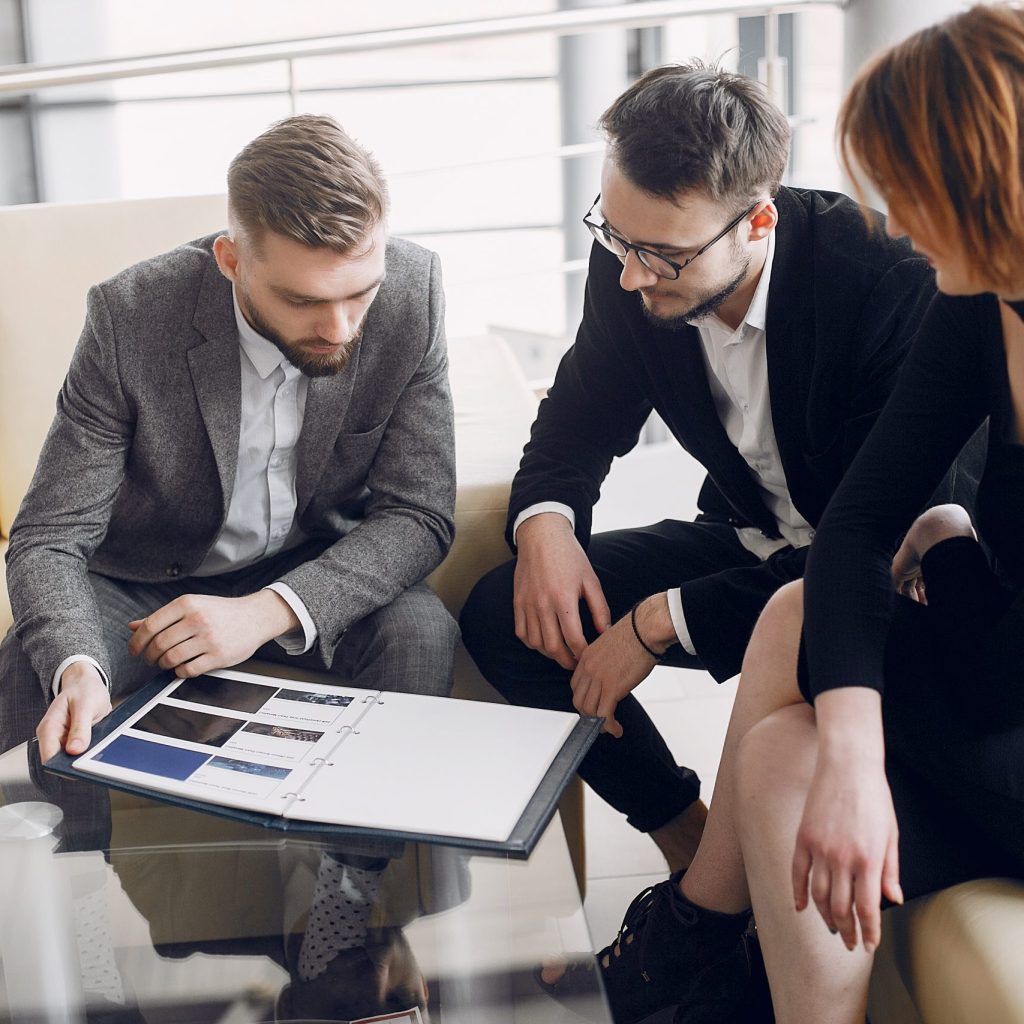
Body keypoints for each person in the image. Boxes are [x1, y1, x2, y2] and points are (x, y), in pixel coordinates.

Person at [571, 6, 1024, 1023]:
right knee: (785, 742)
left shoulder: (924, 290)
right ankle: (738, 977)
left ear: (983, 179)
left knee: (800, 659)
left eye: (906, 190)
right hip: (997, 670)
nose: (896, 223)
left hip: (1013, 725)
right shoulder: (980, 303)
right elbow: (861, 528)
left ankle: (685, 950)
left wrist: (947, 557)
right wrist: (854, 759)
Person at [459, 60, 979, 883]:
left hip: (872, 586)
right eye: (614, 236)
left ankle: (717, 909)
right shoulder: (636, 257)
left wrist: (657, 621)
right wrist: (550, 526)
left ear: (759, 221)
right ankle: (685, 837)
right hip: (752, 539)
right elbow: (579, 418)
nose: (631, 274)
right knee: (505, 612)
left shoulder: (889, 288)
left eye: (660, 256)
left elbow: (879, 547)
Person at [0, 113, 458, 765]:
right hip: (144, 582)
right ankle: (75, 863)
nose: (340, 329)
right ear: (230, 260)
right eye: (303, 300)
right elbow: (50, 533)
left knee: (420, 636)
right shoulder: (130, 317)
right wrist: (79, 669)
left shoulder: (415, 295)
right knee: (36, 675)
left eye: (361, 292)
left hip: (312, 558)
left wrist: (269, 610)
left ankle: (358, 864)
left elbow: (419, 512)